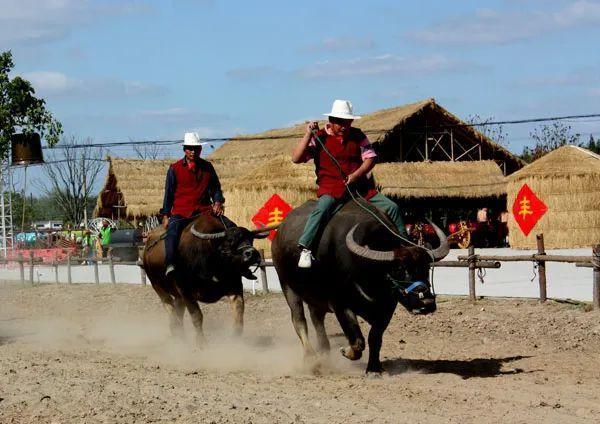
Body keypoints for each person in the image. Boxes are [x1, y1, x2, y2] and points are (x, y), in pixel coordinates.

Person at [291, 99, 408, 268]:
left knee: (392, 207)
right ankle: (306, 248)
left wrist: (356, 175)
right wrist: (308, 134)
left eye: (348, 121)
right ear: (331, 120)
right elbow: (296, 158)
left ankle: (404, 244)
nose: (345, 126)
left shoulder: (358, 135)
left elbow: (370, 158)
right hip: (331, 188)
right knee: (322, 210)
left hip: (360, 188)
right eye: (341, 122)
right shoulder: (319, 137)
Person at [160, 132, 255, 279]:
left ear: (200, 150)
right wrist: (166, 214)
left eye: (196, 148)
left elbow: (216, 188)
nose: (193, 151)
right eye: (190, 148)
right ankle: (170, 264)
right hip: (182, 211)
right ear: (184, 149)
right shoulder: (174, 169)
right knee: (172, 233)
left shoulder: (207, 167)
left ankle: (242, 263)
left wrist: (217, 202)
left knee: (233, 228)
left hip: (205, 210)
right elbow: (169, 193)